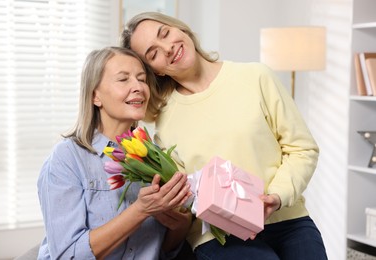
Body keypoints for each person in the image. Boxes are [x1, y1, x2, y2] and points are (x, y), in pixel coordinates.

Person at [120, 12, 328, 260]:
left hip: (287, 218)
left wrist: (275, 198)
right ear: (155, 71)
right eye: (153, 54)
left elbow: (302, 149)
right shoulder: (164, 123)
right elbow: (186, 198)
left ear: (181, 29)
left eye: (165, 33)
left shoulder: (256, 77)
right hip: (220, 236)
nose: (167, 48)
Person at [37, 46, 193, 260]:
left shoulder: (155, 158)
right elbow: (67, 255)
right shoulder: (67, 158)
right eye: (123, 79)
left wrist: (180, 227)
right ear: (95, 96)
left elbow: (163, 251)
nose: (138, 87)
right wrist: (140, 210)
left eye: (141, 79)